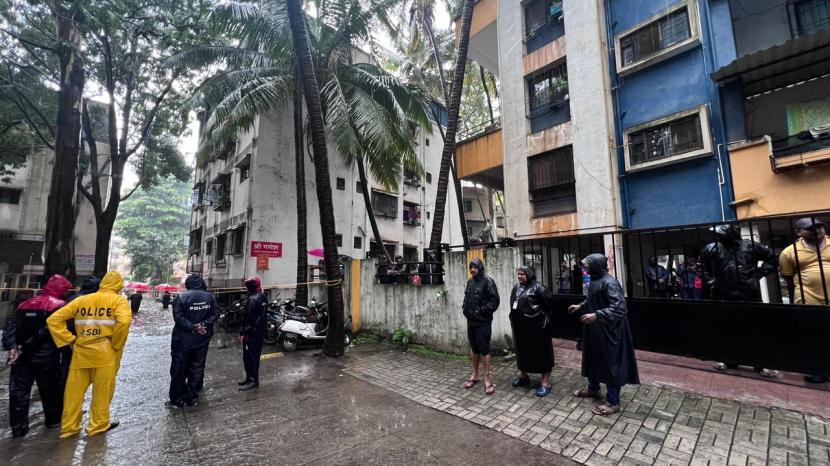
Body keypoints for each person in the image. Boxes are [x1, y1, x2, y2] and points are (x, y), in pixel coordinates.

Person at [46, 271, 132, 438]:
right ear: (118, 285)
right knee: (102, 392)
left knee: (73, 393)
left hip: (81, 349)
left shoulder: (82, 300)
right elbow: (124, 322)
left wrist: (70, 340)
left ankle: (69, 427)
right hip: (105, 352)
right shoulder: (118, 301)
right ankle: (98, 426)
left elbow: (53, 320)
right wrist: (116, 344)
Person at [698, 224, 777, 376]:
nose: (719, 236)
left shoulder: (750, 246)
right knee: (727, 329)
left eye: (722, 234)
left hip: (749, 294)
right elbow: (702, 267)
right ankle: (729, 360)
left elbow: (772, 258)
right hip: (723, 294)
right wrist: (711, 281)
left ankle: (760, 364)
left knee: (755, 329)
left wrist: (758, 274)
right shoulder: (711, 248)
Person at [3, 274, 73, 438]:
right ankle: (53, 421)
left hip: (21, 357)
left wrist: (14, 347)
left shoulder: (24, 304)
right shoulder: (60, 305)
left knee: (18, 392)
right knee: (50, 391)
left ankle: (18, 427)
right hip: (46, 357)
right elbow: (52, 330)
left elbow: (11, 327)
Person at [568, 254, 639, 415]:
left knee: (610, 364)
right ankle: (593, 389)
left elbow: (620, 308)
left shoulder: (610, 282)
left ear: (596, 265)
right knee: (593, 358)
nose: (585, 269)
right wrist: (580, 305)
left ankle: (613, 402)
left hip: (610, 332)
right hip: (595, 330)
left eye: (588, 266)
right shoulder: (595, 281)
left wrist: (597, 315)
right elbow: (593, 299)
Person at [778, 217, 829, 384]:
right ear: (798, 232)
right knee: (814, 335)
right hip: (809, 298)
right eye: (811, 228)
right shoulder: (789, 251)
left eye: (820, 227)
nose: (817, 231)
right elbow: (787, 275)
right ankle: (818, 370)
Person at [168, 274, 219, 408]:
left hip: (182, 340)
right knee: (197, 367)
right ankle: (192, 398)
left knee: (179, 368)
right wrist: (203, 324)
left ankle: (177, 399)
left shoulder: (181, 297)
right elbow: (215, 315)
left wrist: (193, 326)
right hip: (202, 338)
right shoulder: (210, 297)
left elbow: (178, 318)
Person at [509, 265, 555, 397]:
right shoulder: (516, 288)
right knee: (522, 352)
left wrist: (544, 322)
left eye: (522, 274)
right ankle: (524, 376)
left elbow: (550, 305)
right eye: (518, 274)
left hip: (538, 329)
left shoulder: (539, 288)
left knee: (542, 353)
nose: (520, 276)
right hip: (520, 329)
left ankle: (545, 382)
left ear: (529, 274)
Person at [462, 257, 500, 395]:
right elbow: (466, 297)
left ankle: (487, 378)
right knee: (474, 348)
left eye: (475, 267)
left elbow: (494, 301)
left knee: (484, 349)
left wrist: (481, 310)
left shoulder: (488, 282)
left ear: (480, 268)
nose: (472, 270)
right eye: (471, 267)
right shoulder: (470, 282)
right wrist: (465, 308)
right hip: (471, 321)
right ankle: (475, 374)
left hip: (483, 322)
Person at [61, 276, 101, 391]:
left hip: (69, 340)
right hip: (75, 341)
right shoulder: (85, 301)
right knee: (72, 371)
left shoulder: (73, 298)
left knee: (68, 368)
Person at [239, 277, 267, 390]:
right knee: (253, 356)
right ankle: (250, 378)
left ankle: (252, 380)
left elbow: (249, 319)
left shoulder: (252, 300)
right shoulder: (263, 296)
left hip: (251, 334)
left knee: (250, 357)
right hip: (259, 332)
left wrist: (243, 332)